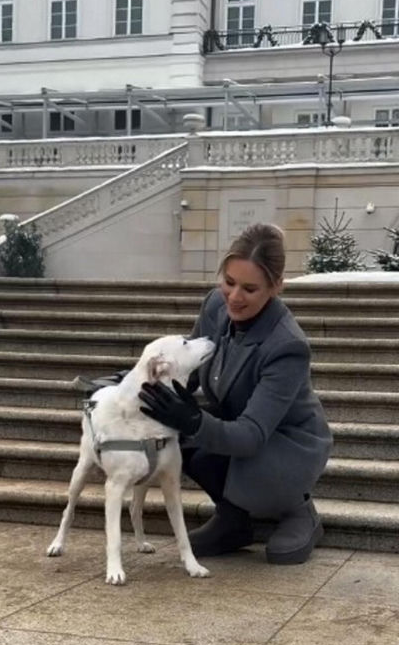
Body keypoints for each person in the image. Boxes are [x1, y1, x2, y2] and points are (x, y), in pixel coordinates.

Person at [139, 223, 332, 565]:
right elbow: (189, 371)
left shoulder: (287, 346)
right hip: (238, 423)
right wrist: (134, 386)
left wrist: (194, 420)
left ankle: (298, 509)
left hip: (287, 447)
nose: (234, 297)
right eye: (229, 282)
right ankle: (234, 520)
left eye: (250, 288)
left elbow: (251, 437)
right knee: (172, 432)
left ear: (276, 288)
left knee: (195, 428)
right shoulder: (216, 306)